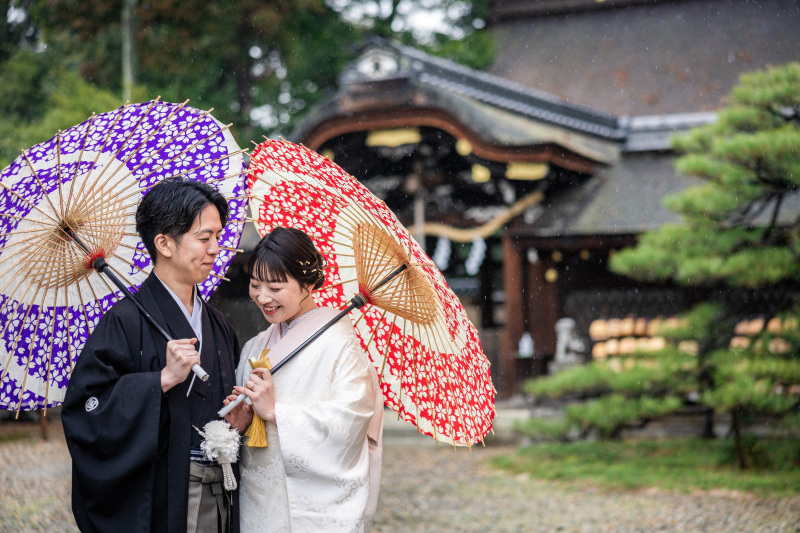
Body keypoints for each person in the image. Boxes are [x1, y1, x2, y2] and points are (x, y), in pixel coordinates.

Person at [62, 178, 242, 533]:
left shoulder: (218, 324)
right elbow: (86, 412)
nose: (215, 249)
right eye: (204, 238)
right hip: (163, 494)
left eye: (217, 237)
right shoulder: (124, 321)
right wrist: (161, 380)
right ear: (164, 243)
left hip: (223, 488)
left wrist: (238, 416)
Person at [224, 227, 383, 533]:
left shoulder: (341, 345)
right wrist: (238, 423)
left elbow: (351, 422)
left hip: (310, 509)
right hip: (257, 500)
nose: (262, 297)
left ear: (308, 283)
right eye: (255, 285)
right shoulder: (255, 346)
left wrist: (276, 413)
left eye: (275, 287)